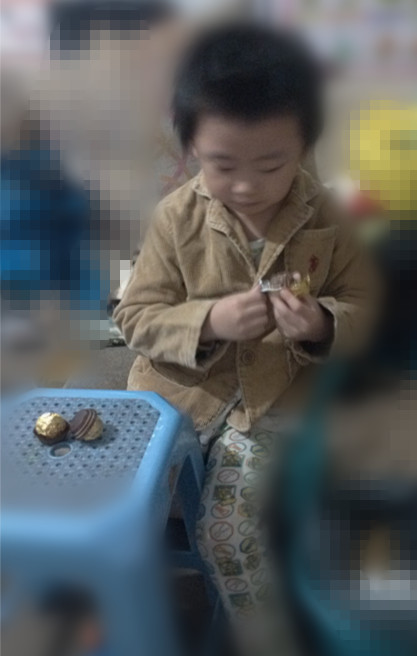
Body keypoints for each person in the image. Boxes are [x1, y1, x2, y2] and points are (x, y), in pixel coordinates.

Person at [114, 23, 375, 655]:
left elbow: (366, 307)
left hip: (277, 401)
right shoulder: (175, 218)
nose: (247, 186)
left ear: (305, 146)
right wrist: (208, 321)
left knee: (229, 533)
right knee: (115, 516)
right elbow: (135, 316)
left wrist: (322, 323)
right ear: (191, 149)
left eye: (272, 165)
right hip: (178, 395)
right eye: (222, 165)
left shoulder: (328, 217)